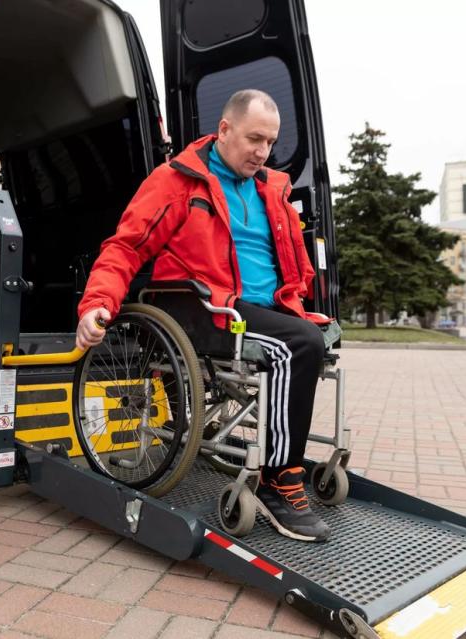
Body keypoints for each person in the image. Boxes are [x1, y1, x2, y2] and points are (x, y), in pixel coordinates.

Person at [75, 89, 330, 542]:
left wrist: (299, 300)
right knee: (299, 346)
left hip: (267, 307)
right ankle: (278, 480)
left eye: (270, 142)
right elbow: (125, 247)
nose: (262, 152)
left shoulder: (273, 190)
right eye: (254, 139)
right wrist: (99, 302)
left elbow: (293, 262)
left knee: (312, 335)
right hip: (204, 308)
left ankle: (282, 457)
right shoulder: (177, 183)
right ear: (225, 129)